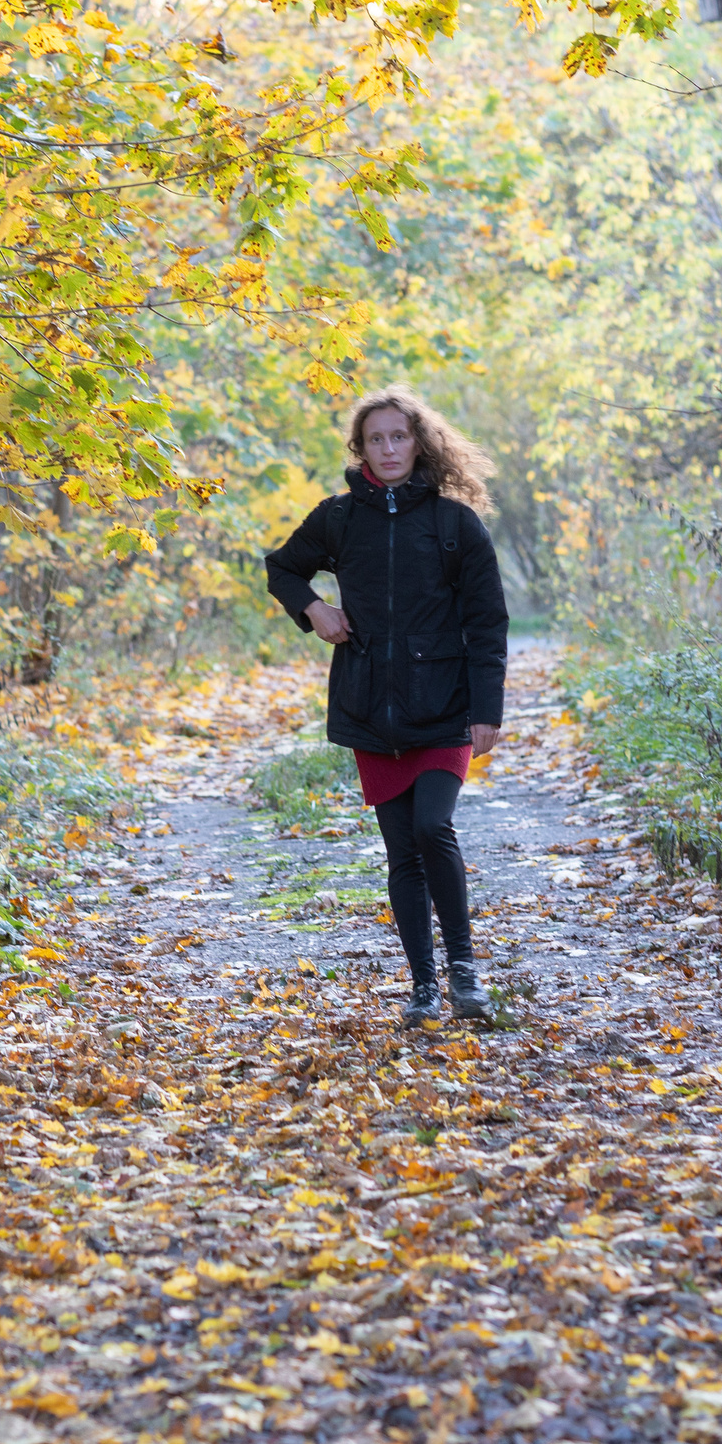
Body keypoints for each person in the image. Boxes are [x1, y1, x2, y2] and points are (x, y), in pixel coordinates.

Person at [264, 388, 510, 1026]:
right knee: (401, 851)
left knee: (434, 827)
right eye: (377, 438)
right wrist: (314, 608)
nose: (389, 448)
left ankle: (464, 973)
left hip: (445, 705)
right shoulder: (339, 519)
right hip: (371, 705)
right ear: (361, 448)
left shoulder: (456, 524)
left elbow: (487, 623)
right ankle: (424, 987)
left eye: (399, 436)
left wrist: (488, 708)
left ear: (419, 442)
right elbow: (282, 569)